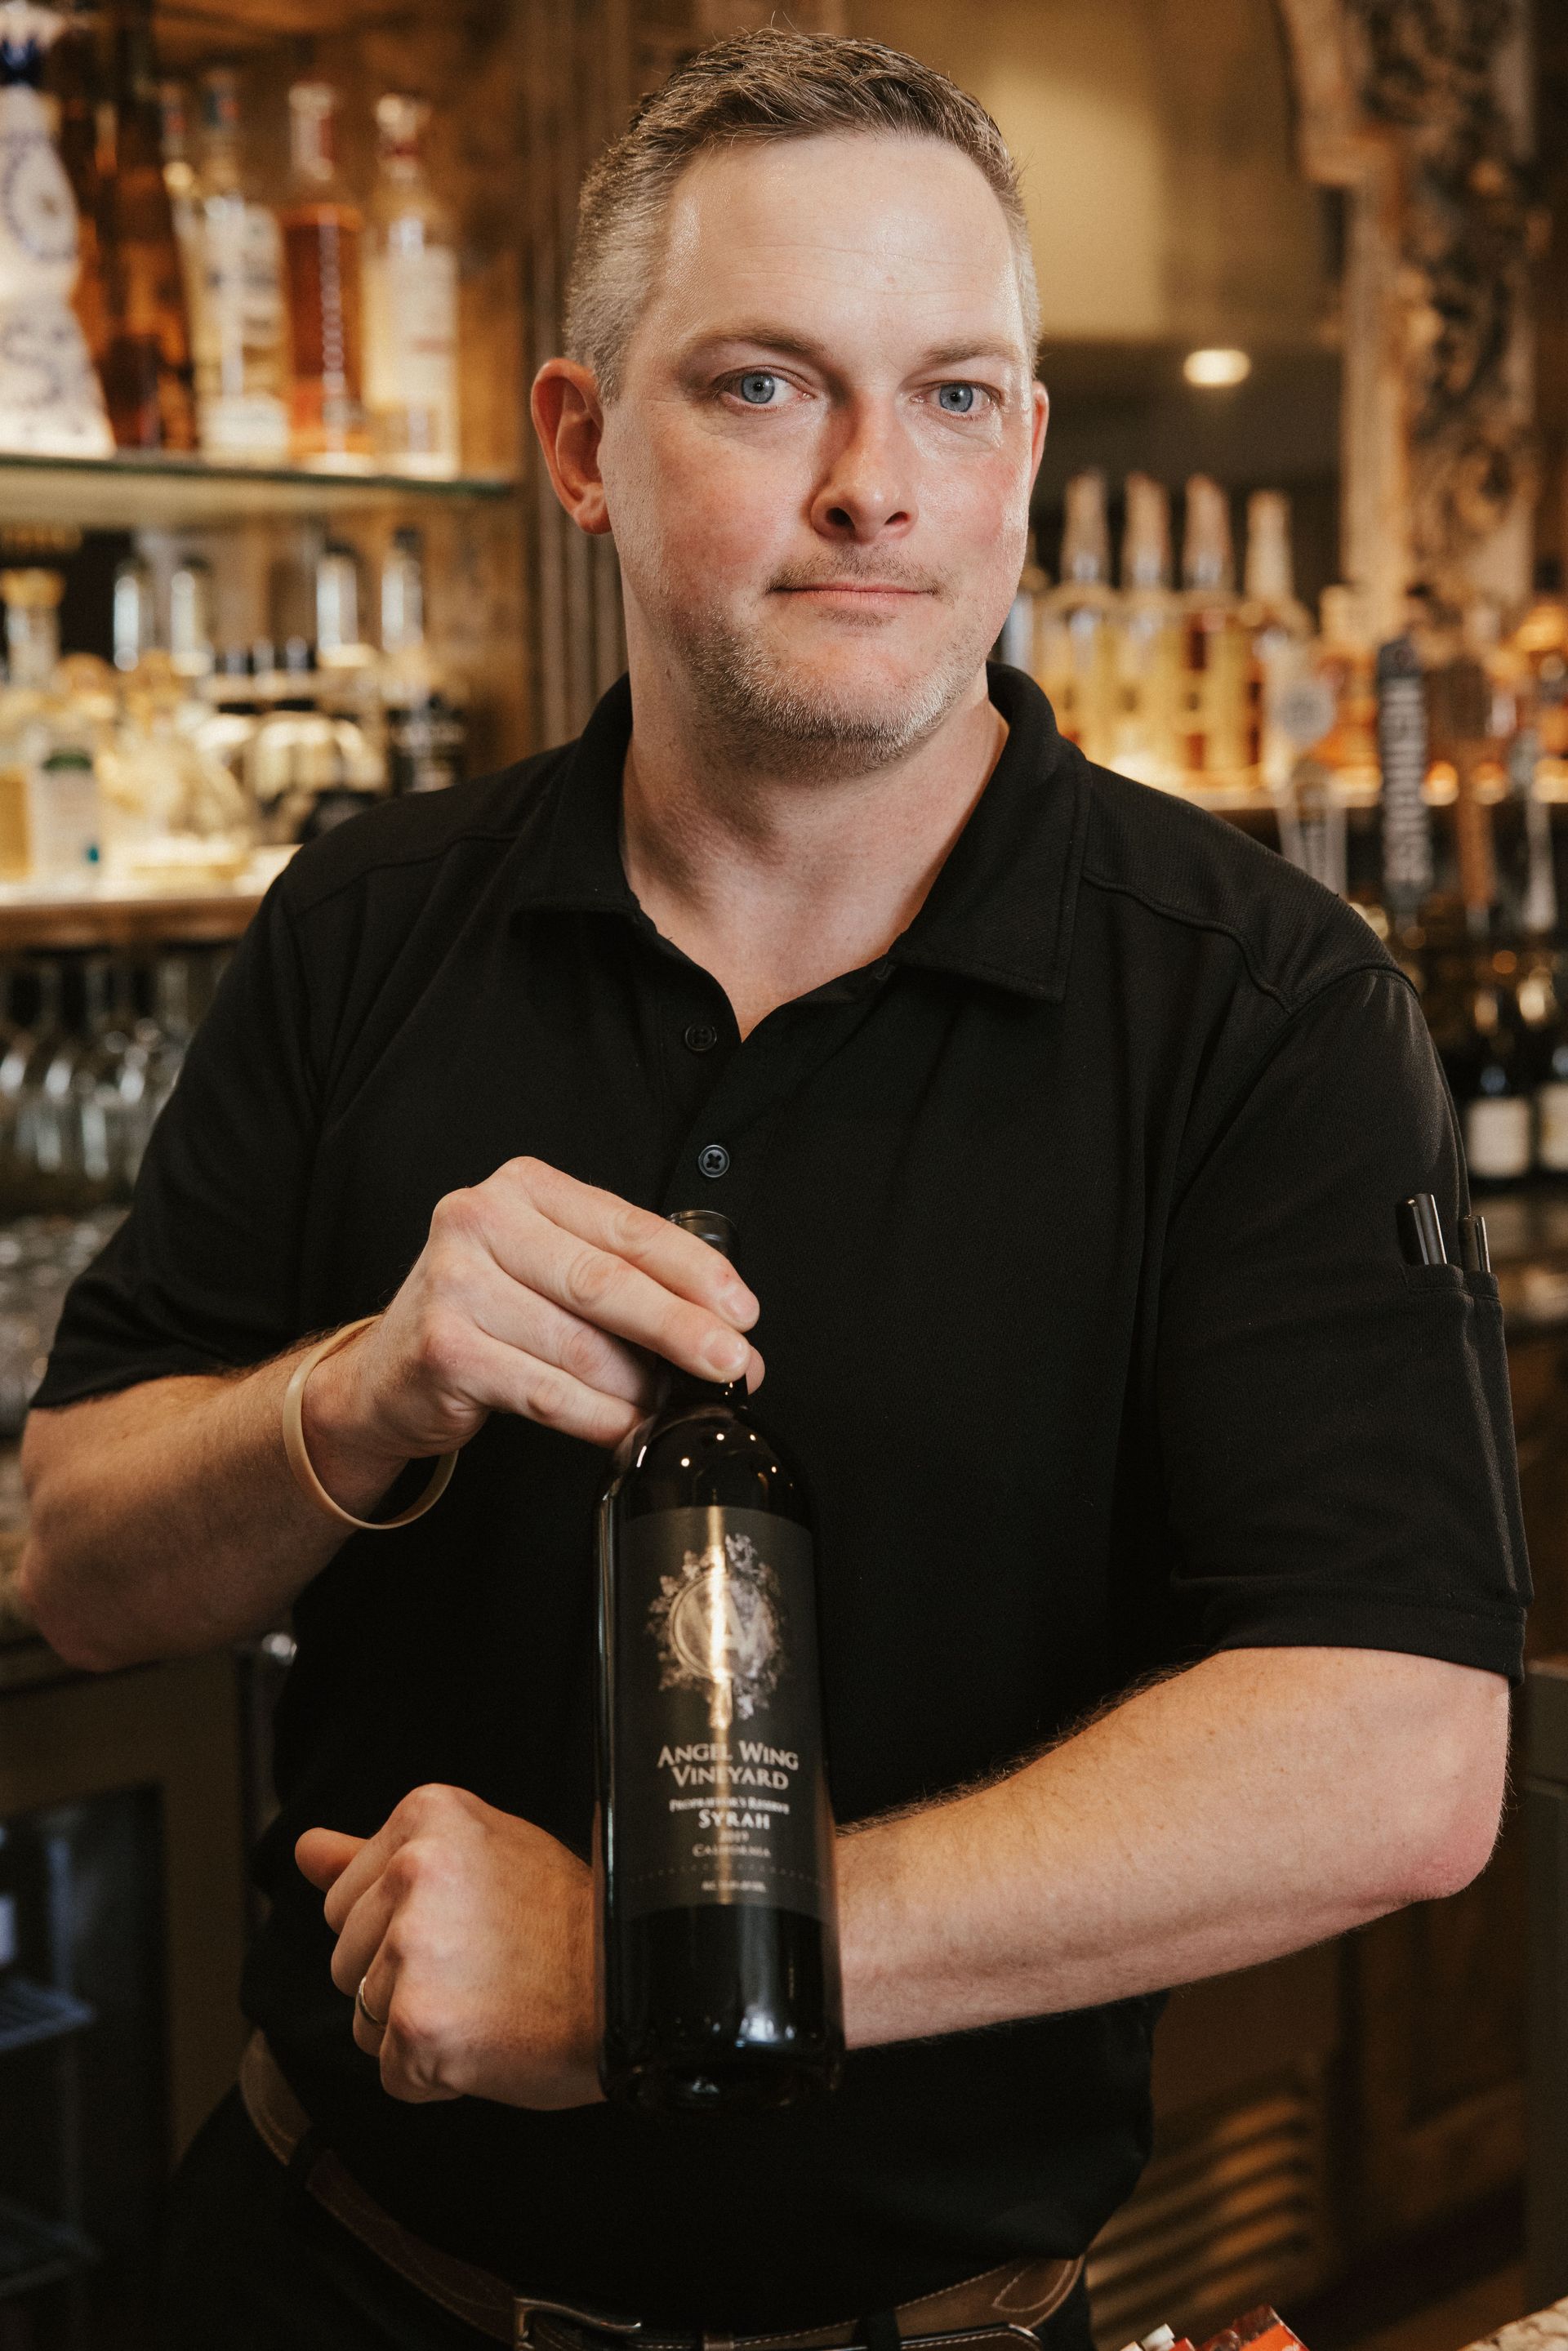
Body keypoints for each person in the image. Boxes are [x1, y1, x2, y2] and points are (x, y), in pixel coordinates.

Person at [17, 28, 1525, 2351]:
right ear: (576, 446)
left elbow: (1405, 1756)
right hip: (319, 2283)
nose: (873, 488)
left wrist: (660, 1957)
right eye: (759, 386)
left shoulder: (1265, 1008)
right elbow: (73, 1564)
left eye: (951, 396)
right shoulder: (369, 918)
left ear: (1024, 444)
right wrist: (355, 1396)